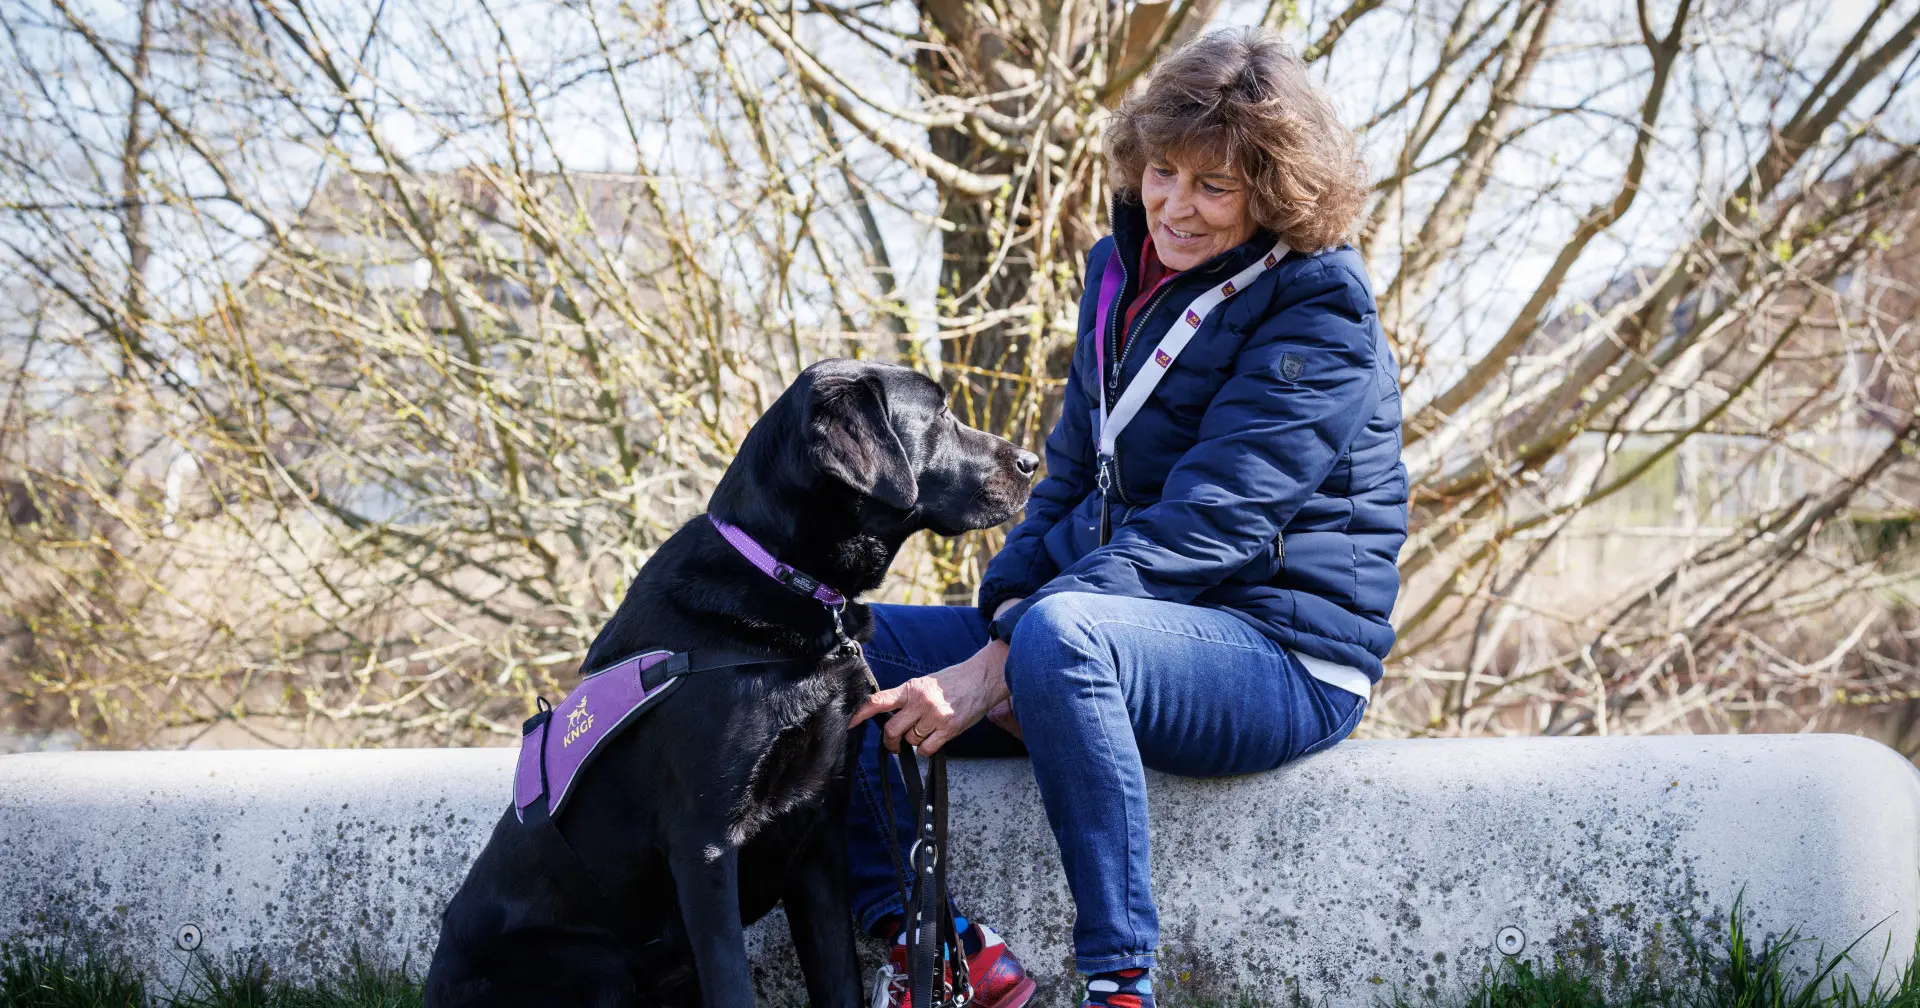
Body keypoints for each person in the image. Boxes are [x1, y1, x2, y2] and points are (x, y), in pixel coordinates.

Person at [847, 25, 1407, 1008]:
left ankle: (1119, 984)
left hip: (1281, 656)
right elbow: (1069, 480)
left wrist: (1008, 656)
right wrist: (1005, 610)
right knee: (835, 638)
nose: (1175, 208)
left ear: (1273, 193)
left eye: (1213, 187)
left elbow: (1210, 524)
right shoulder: (1120, 270)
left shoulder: (1323, 310)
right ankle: (932, 942)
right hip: (1109, 623)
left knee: (1060, 637)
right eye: (1163, 172)